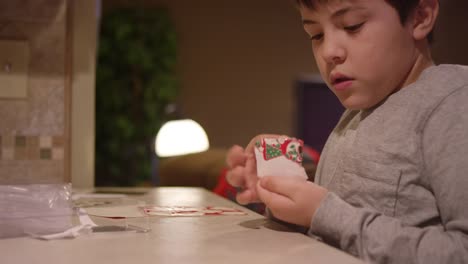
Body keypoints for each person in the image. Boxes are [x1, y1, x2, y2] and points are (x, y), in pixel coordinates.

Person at [225, 0, 468, 263]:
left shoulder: (454, 104)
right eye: (316, 35)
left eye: (353, 26)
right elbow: (329, 238)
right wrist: (279, 190)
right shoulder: (359, 112)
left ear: (421, 16)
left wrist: (323, 212)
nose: (328, 51)